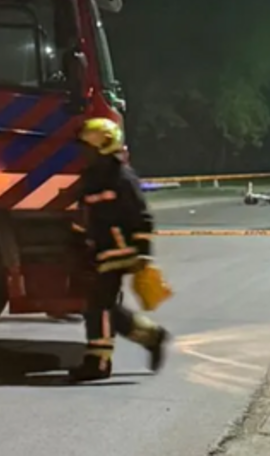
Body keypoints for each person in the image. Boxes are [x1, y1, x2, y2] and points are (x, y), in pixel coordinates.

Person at [68, 117, 169, 383]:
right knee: (104, 306)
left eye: (87, 149)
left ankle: (99, 362)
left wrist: (143, 252)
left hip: (122, 251)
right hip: (102, 251)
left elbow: (142, 217)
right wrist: (80, 243)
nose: (83, 154)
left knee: (98, 305)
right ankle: (151, 336)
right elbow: (85, 216)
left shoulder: (122, 178)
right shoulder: (92, 178)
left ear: (103, 147)